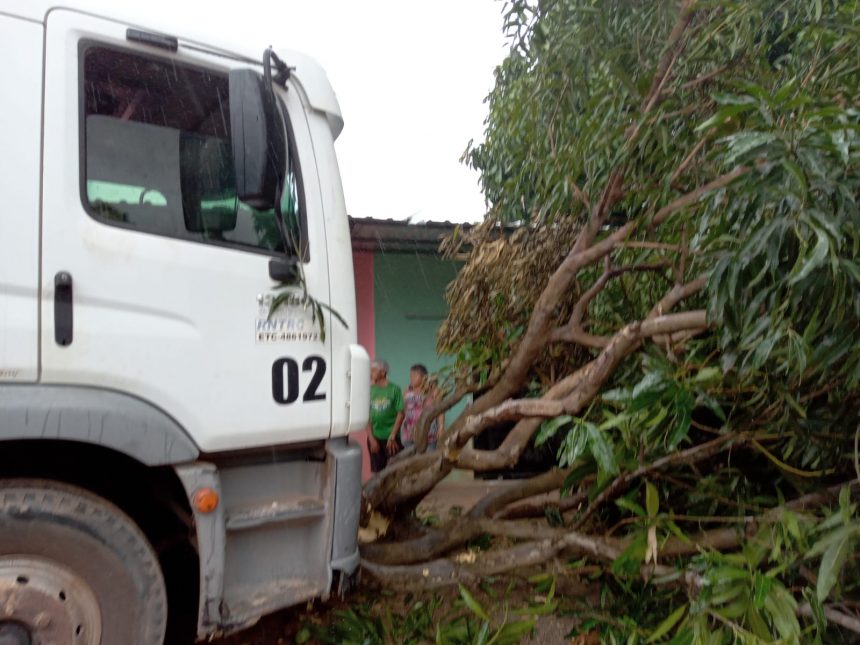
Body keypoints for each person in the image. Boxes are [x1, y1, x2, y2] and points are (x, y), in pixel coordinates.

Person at [368, 359, 404, 472]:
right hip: (375, 437)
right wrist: (371, 438)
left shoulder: (394, 389)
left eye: (373, 370)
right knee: (377, 470)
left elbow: (401, 413)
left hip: (391, 439)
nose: (371, 373)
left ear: (383, 373)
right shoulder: (369, 390)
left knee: (395, 470)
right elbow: (365, 415)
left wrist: (393, 435)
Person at [400, 364, 446, 451]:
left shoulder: (434, 391)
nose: (411, 378)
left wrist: (441, 427)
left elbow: (440, 410)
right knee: (410, 460)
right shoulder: (407, 391)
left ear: (424, 377)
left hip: (428, 432)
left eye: (414, 375)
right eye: (411, 375)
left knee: (427, 460)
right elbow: (403, 411)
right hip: (409, 432)